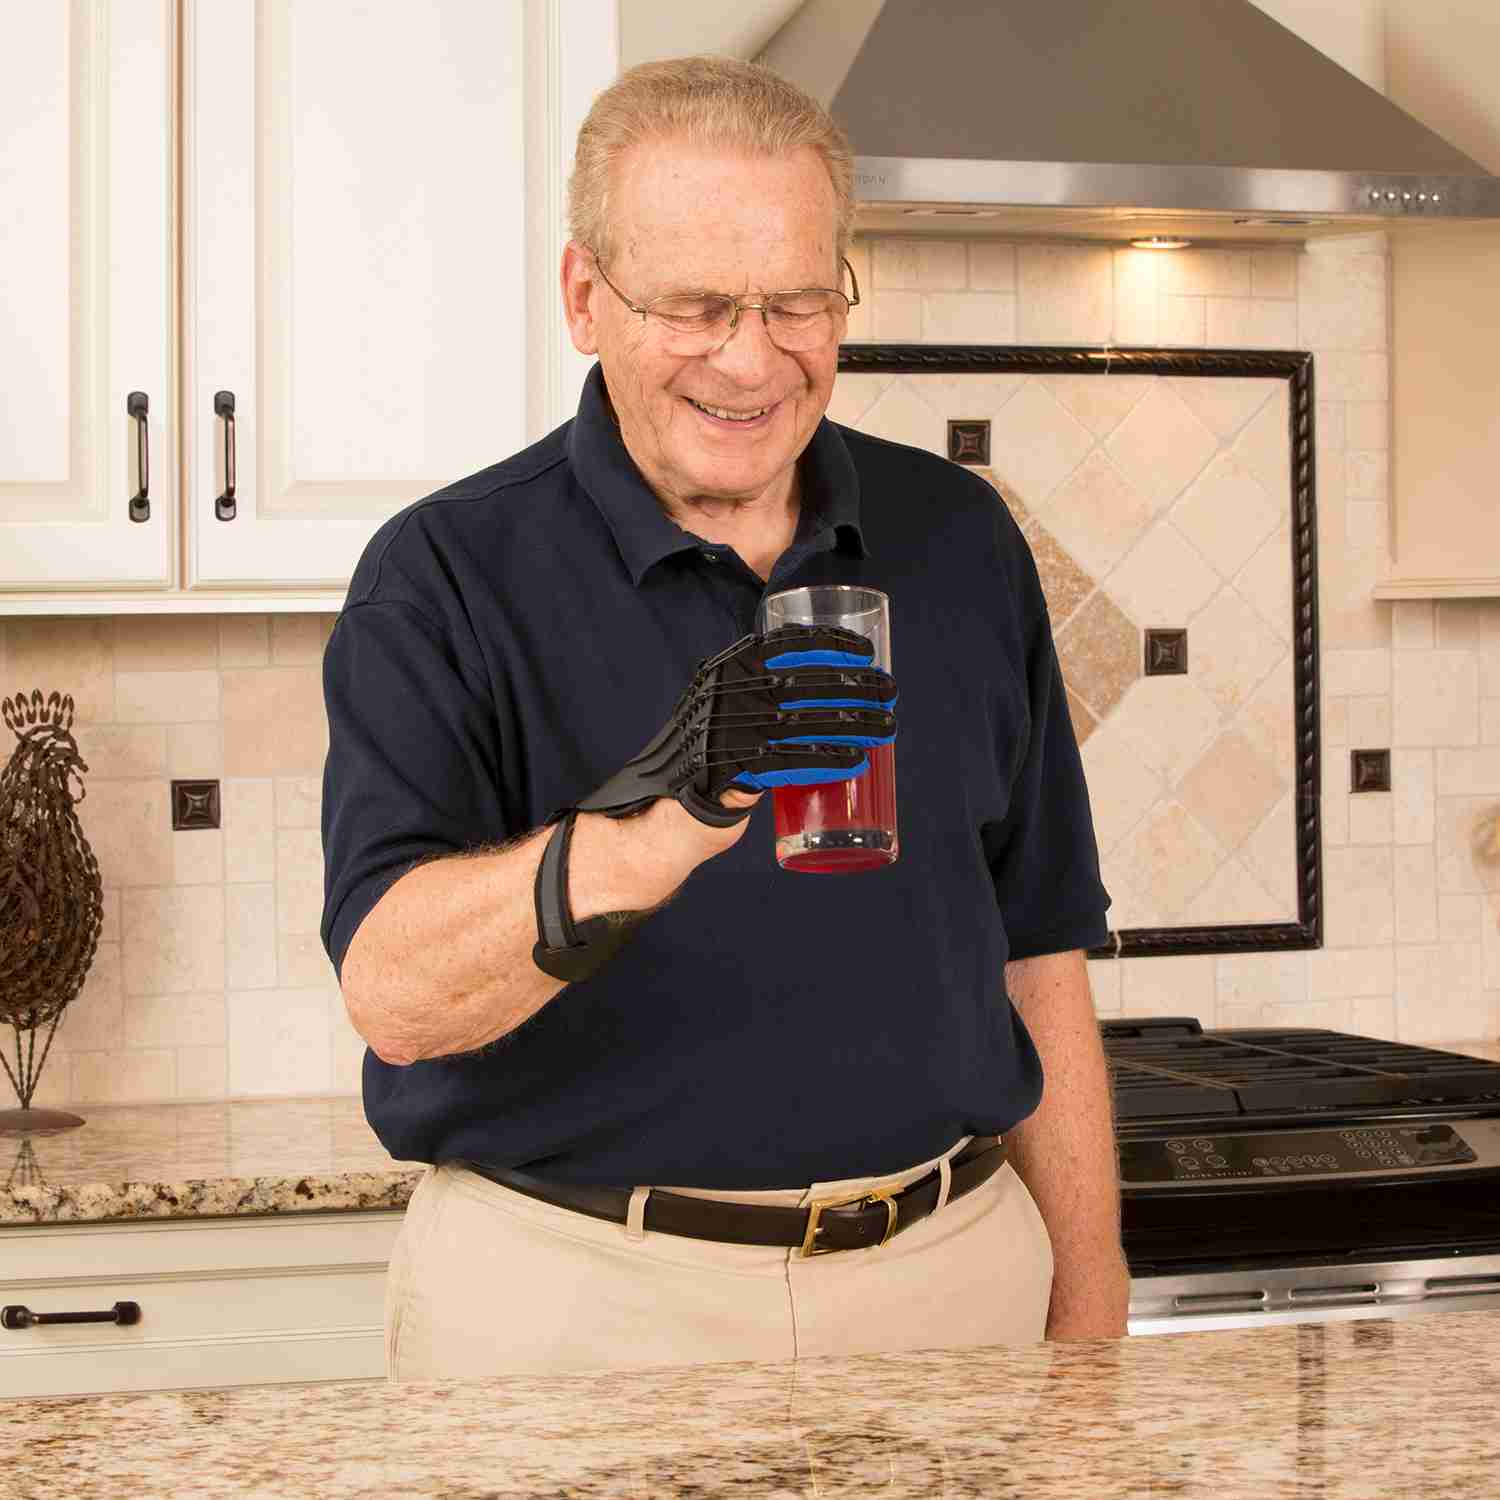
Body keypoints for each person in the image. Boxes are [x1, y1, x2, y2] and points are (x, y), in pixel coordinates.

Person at [320, 55, 1126, 1383]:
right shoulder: (444, 574)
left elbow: (1036, 946)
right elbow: (396, 999)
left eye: (799, 302)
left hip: (955, 1291)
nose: (752, 361)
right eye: (695, 307)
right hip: (577, 1313)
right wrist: (648, 833)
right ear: (587, 297)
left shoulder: (961, 539)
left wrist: (1092, 1318)